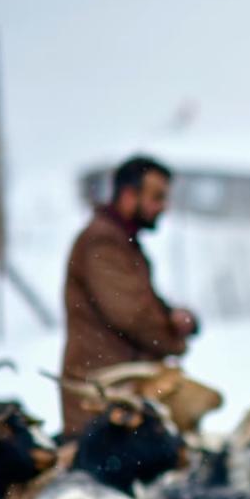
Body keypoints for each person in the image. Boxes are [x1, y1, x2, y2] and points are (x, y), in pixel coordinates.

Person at [60, 155, 199, 438]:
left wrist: (173, 318)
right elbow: (131, 315)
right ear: (128, 195)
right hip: (100, 396)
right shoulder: (103, 242)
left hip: (119, 392)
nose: (163, 207)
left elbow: (143, 305)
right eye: (157, 197)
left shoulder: (121, 242)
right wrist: (172, 338)